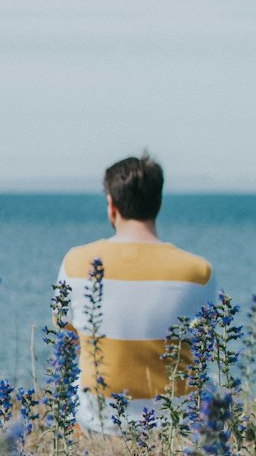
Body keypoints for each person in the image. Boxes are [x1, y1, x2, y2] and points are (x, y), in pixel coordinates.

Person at [57, 153, 216, 434]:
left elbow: (68, 339)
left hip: (97, 423)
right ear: (159, 203)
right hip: (175, 427)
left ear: (111, 205)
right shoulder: (199, 272)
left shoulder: (74, 263)